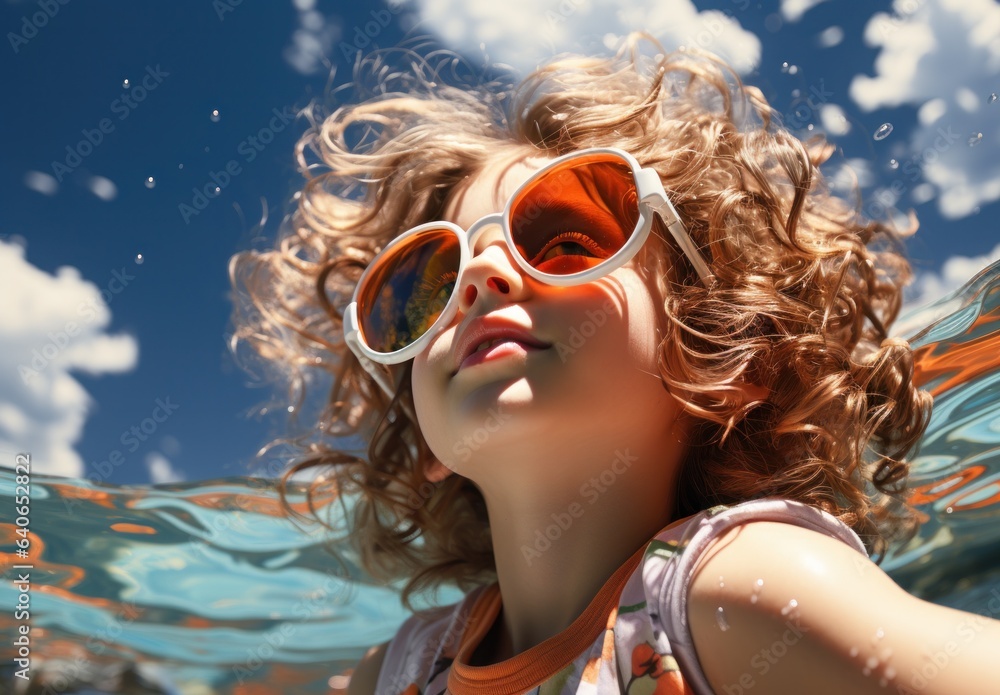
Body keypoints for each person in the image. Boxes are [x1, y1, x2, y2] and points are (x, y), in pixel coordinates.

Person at [227, 32, 1000, 695]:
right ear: (426, 441)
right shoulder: (395, 670)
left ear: (724, 350)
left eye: (565, 239)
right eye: (426, 286)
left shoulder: (730, 592)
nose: (480, 274)